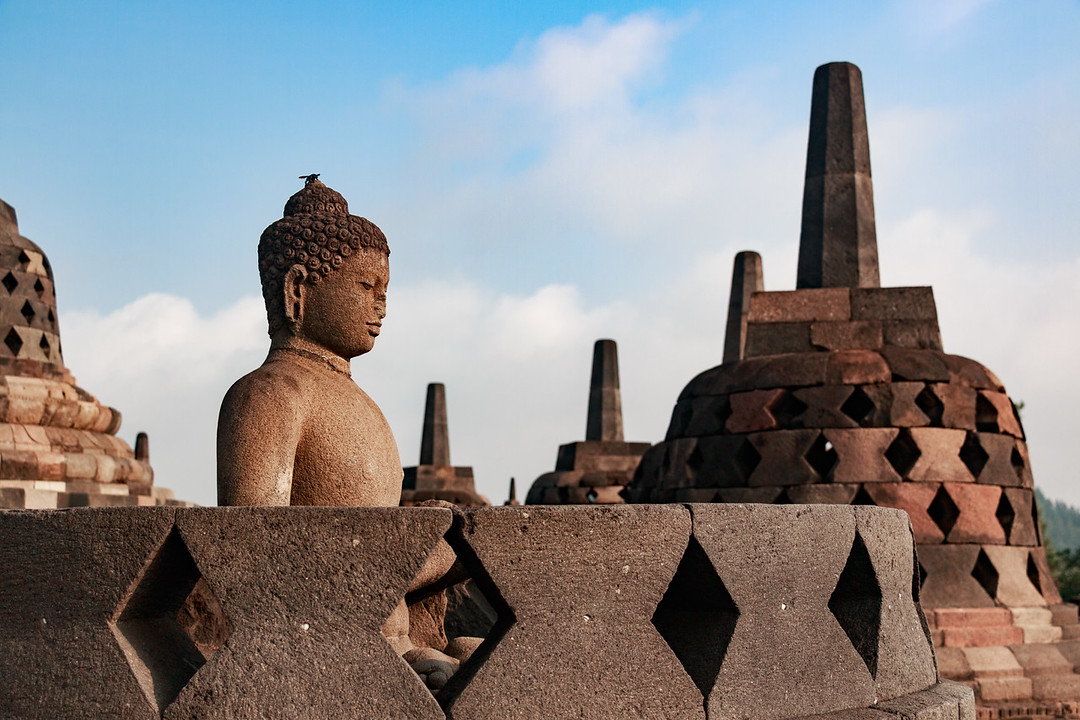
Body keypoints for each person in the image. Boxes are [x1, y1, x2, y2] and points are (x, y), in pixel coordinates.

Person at [217, 175, 461, 687]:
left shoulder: (352, 398)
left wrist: (443, 548)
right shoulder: (270, 394)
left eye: (385, 290)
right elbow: (257, 557)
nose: (381, 305)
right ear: (298, 288)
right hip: (324, 657)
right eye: (365, 286)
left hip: (395, 646)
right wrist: (422, 553)